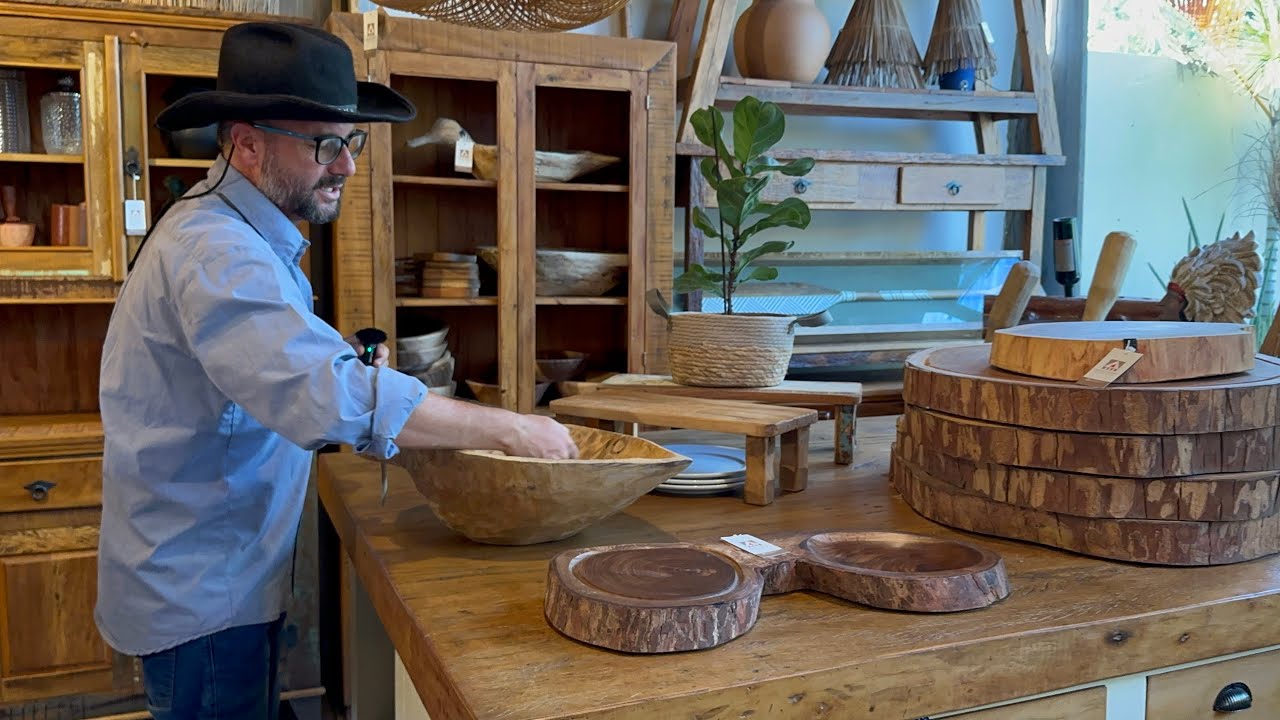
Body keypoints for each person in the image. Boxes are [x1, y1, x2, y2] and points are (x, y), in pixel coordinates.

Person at [96, 21, 577, 720]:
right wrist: (511, 430)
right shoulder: (218, 252)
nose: (347, 165)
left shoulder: (234, 234)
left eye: (349, 142)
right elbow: (323, 396)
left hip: (213, 576)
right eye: (324, 144)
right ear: (247, 142)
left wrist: (340, 358)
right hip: (202, 594)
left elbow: (271, 368)